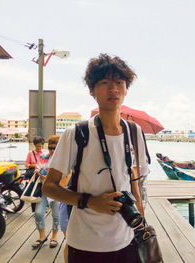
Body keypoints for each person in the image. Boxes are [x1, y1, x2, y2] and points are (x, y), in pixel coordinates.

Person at [42, 53, 149, 262]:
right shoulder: (76, 133)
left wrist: (141, 220)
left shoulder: (135, 133)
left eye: (119, 82)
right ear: (91, 91)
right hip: (84, 244)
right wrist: (90, 201)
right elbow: (49, 187)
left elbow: (135, 180)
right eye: (104, 82)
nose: (113, 89)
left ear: (126, 89)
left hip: (127, 240)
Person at [32, 135, 60, 249]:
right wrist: (43, 173)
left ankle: (54, 236)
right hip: (43, 189)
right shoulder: (44, 156)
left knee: (56, 215)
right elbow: (37, 168)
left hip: (58, 191)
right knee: (38, 213)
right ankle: (42, 236)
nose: (52, 150)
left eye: (55, 148)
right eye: (50, 147)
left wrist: (47, 174)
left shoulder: (63, 159)